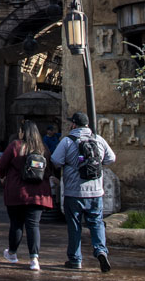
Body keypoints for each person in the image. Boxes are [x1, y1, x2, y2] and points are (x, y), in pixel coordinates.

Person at [51, 111, 116, 273]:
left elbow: (55, 160)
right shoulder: (98, 140)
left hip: (74, 192)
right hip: (96, 192)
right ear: (87, 125)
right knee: (96, 223)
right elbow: (111, 158)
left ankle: (75, 259)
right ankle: (101, 250)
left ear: (73, 124)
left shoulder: (67, 141)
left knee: (74, 225)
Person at [0, 120, 53, 271]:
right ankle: (34, 258)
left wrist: (2, 177)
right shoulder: (43, 148)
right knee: (33, 225)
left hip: (17, 191)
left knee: (16, 224)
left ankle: (13, 253)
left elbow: (1, 164)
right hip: (38, 193)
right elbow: (49, 171)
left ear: (23, 132)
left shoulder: (16, 145)